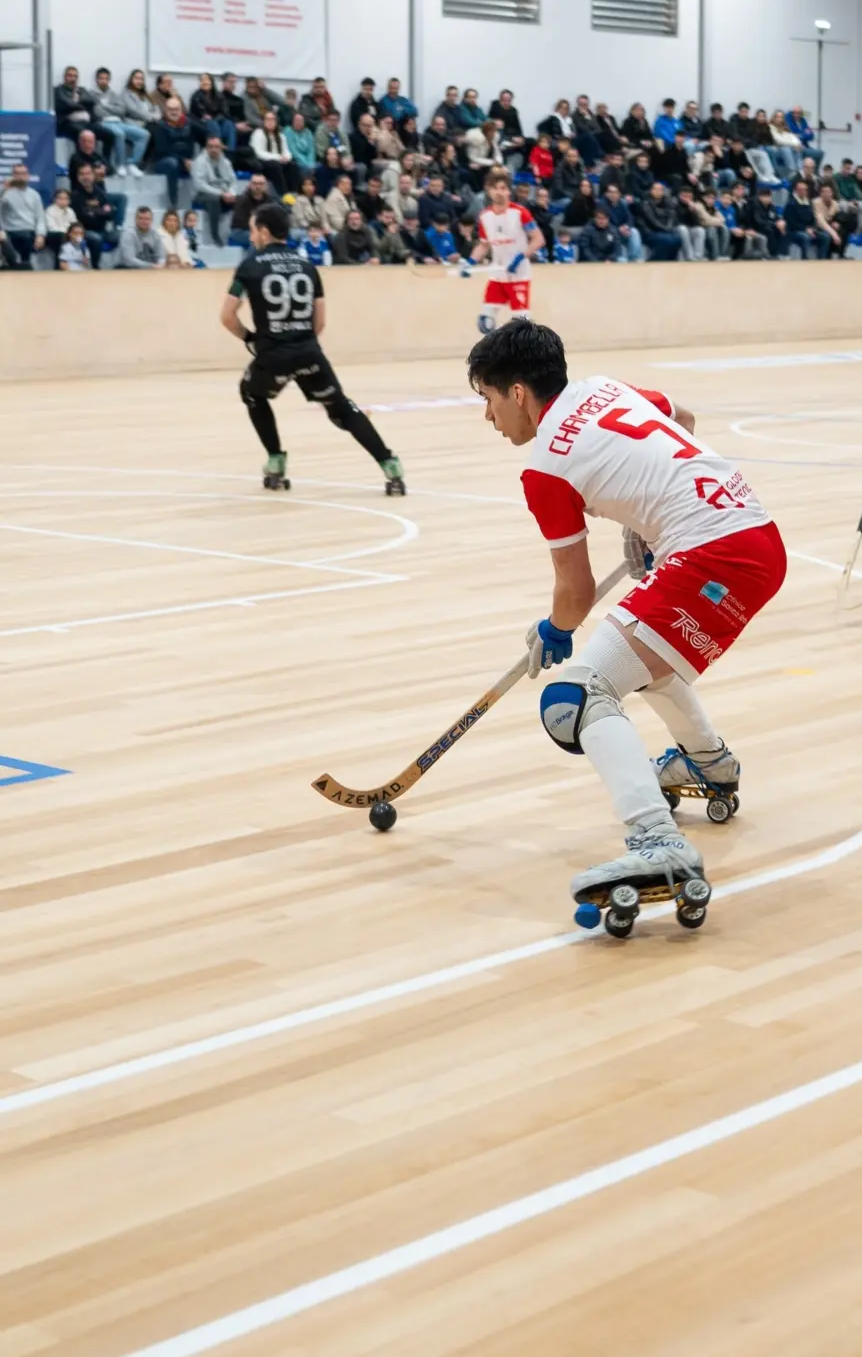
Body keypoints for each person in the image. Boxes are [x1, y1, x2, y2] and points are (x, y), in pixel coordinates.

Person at [465, 320, 785, 923]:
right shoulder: (605, 389)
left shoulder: (544, 469)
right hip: (756, 538)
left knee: (575, 696)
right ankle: (706, 763)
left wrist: (554, 631)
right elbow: (682, 417)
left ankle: (656, 843)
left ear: (516, 393)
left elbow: (576, 591)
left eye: (486, 398)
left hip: (712, 555)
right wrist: (645, 528)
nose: (488, 416)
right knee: (642, 657)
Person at [220, 202, 406, 494]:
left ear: (265, 232)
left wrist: (250, 339)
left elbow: (227, 317)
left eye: (254, 229)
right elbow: (319, 322)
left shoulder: (249, 266)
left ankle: (276, 461)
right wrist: (301, 342)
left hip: (272, 354)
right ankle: (390, 465)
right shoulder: (307, 266)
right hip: (308, 351)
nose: (252, 235)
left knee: (252, 394)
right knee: (342, 410)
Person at [471, 167, 545, 332]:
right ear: (489, 191)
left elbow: (538, 239)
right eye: (495, 188)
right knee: (485, 321)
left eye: (503, 188)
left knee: (522, 323)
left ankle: (530, 352)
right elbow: (483, 244)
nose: (499, 192)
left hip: (519, 274)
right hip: (497, 275)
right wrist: (470, 261)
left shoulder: (520, 213)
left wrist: (520, 257)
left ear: (509, 191)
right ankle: (494, 354)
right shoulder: (484, 216)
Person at [92, 67, 150, 175]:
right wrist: (112, 108)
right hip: (104, 122)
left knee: (144, 134)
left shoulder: (114, 94)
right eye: (101, 78)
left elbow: (122, 110)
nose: (104, 81)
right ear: (97, 79)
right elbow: (97, 111)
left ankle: (132, 164)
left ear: (109, 80)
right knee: (119, 134)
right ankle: (121, 165)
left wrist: (106, 105)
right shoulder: (92, 94)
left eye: (106, 78)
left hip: (119, 122)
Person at [191, 136, 239, 245]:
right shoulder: (199, 162)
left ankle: (238, 233)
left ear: (221, 148)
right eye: (211, 147)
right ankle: (215, 235)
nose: (214, 149)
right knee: (214, 200)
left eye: (217, 147)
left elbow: (233, 181)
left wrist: (231, 193)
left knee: (242, 199)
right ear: (206, 148)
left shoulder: (226, 162)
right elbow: (200, 185)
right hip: (202, 195)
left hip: (223, 193)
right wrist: (221, 194)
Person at [0, 163, 47, 266]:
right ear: (12, 176)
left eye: (23, 173)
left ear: (28, 176)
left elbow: (40, 218)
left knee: (29, 239)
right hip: (9, 232)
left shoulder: (34, 195)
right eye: (17, 173)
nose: (20, 177)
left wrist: (41, 235)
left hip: (28, 231)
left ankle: (25, 265)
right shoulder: (5, 193)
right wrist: (4, 189)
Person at [152, 96, 195, 209]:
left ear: (181, 110)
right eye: (171, 109)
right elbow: (162, 149)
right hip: (163, 161)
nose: (174, 112)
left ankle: (199, 201)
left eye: (176, 109)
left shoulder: (188, 124)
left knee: (200, 164)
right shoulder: (159, 126)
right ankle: (173, 202)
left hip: (184, 161)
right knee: (172, 163)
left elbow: (203, 135)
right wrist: (183, 160)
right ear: (165, 110)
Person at [251, 109, 299, 196]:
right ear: (264, 121)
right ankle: (284, 195)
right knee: (275, 165)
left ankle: (294, 193)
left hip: (279, 161)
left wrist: (286, 158)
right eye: (267, 119)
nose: (270, 122)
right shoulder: (258, 133)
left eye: (272, 119)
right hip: (263, 163)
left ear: (276, 121)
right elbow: (258, 153)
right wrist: (278, 157)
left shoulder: (280, 135)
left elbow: (286, 151)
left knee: (293, 165)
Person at [118, 204, 167, 269]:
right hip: (128, 270)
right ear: (135, 220)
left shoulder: (155, 234)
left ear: (151, 220)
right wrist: (151, 266)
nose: (144, 221)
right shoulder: (128, 234)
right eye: (141, 218)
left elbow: (162, 256)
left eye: (147, 219)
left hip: (150, 270)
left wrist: (160, 264)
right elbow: (129, 260)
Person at [44, 187, 78, 265]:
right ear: (55, 199)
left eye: (66, 199)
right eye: (60, 198)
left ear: (69, 201)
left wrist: (72, 234)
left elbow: (75, 225)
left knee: (89, 239)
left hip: (68, 235)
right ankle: (59, 265)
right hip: (53, 235)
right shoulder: (50, 210)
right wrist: (68, 233)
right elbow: (51, 227)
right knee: (61, 236)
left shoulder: (70, 211)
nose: (63, 201)